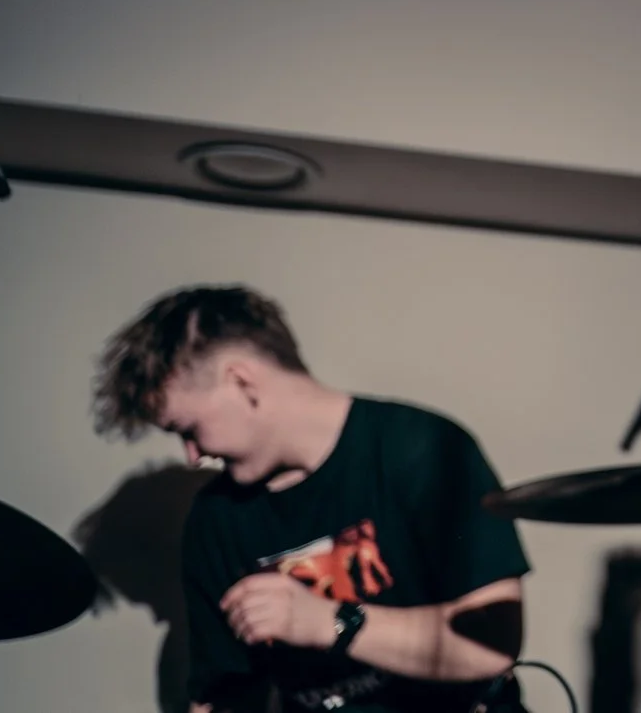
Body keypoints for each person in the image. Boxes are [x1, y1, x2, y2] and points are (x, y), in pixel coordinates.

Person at [92, 285, 530, 713]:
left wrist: (327, 622)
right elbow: (223, 694)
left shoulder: (422, 450)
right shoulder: (215, 519)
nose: (192, 456)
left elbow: (491, 646)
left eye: (189, 429)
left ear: (242, 382)